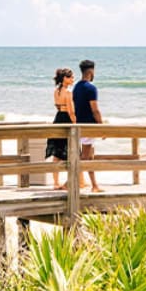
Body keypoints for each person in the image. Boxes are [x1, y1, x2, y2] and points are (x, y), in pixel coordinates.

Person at [72, 59, 103, 192]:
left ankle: (94, 185)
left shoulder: (76, 87)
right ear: (90, 71)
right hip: (89, 127)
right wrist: (102, 127)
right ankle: (69, 182)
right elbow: (95, 110)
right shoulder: (91, 88)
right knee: (85, 157)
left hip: (80, 125)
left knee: (89, 157)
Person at [44, 67, 75, 189]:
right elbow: (71, 111)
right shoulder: (68, 93)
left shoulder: (56, 92)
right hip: (66, 119)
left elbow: (57, 106)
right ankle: (69, 183)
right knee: (71, 151)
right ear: (64, 79)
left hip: (58, 118)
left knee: (57, 153)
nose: (73, 79)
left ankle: (56, 183)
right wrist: (75, 123)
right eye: (71, 77)